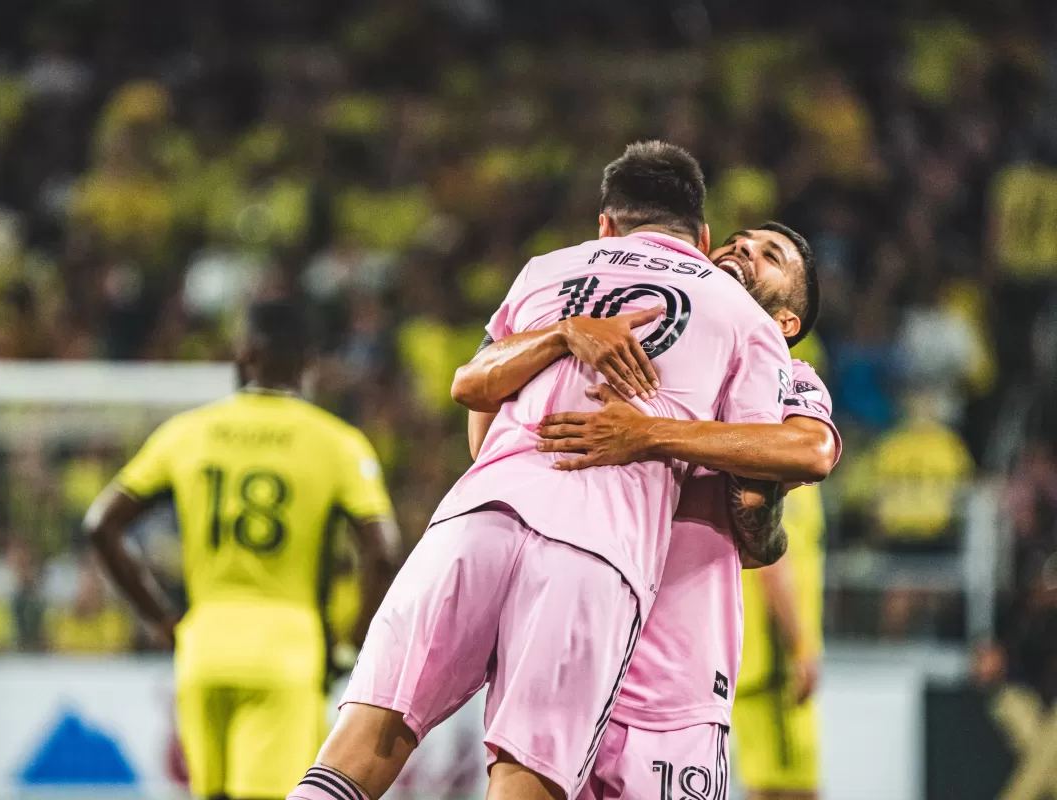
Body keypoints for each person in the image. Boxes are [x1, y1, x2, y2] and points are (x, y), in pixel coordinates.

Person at [289, 141, 792, 800]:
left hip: (477, 516)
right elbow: (752, 485)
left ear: (606, 225)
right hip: (596, 552)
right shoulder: (745, 319)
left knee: (359, 747)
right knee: (524, 777)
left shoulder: (545, 271)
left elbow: (478, 419)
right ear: (701, 236)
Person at [461, 224, 837, 800]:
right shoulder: (630, 346)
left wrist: (649, 435)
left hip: (667, 673)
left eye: (770, 255)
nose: (743, 250)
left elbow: (810, 450)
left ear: (786, 324)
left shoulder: (789, 378)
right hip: (567, 634)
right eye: (737, 240)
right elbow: (484, 430)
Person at [83, 301, 399, 800]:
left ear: (242, 353)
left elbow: (101, 525)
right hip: (288, 651)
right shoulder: (337, 443)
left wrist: (161, 619)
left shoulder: (187, 433)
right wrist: (350, 647)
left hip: (203, 647)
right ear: (308, 362)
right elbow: (381, 552)